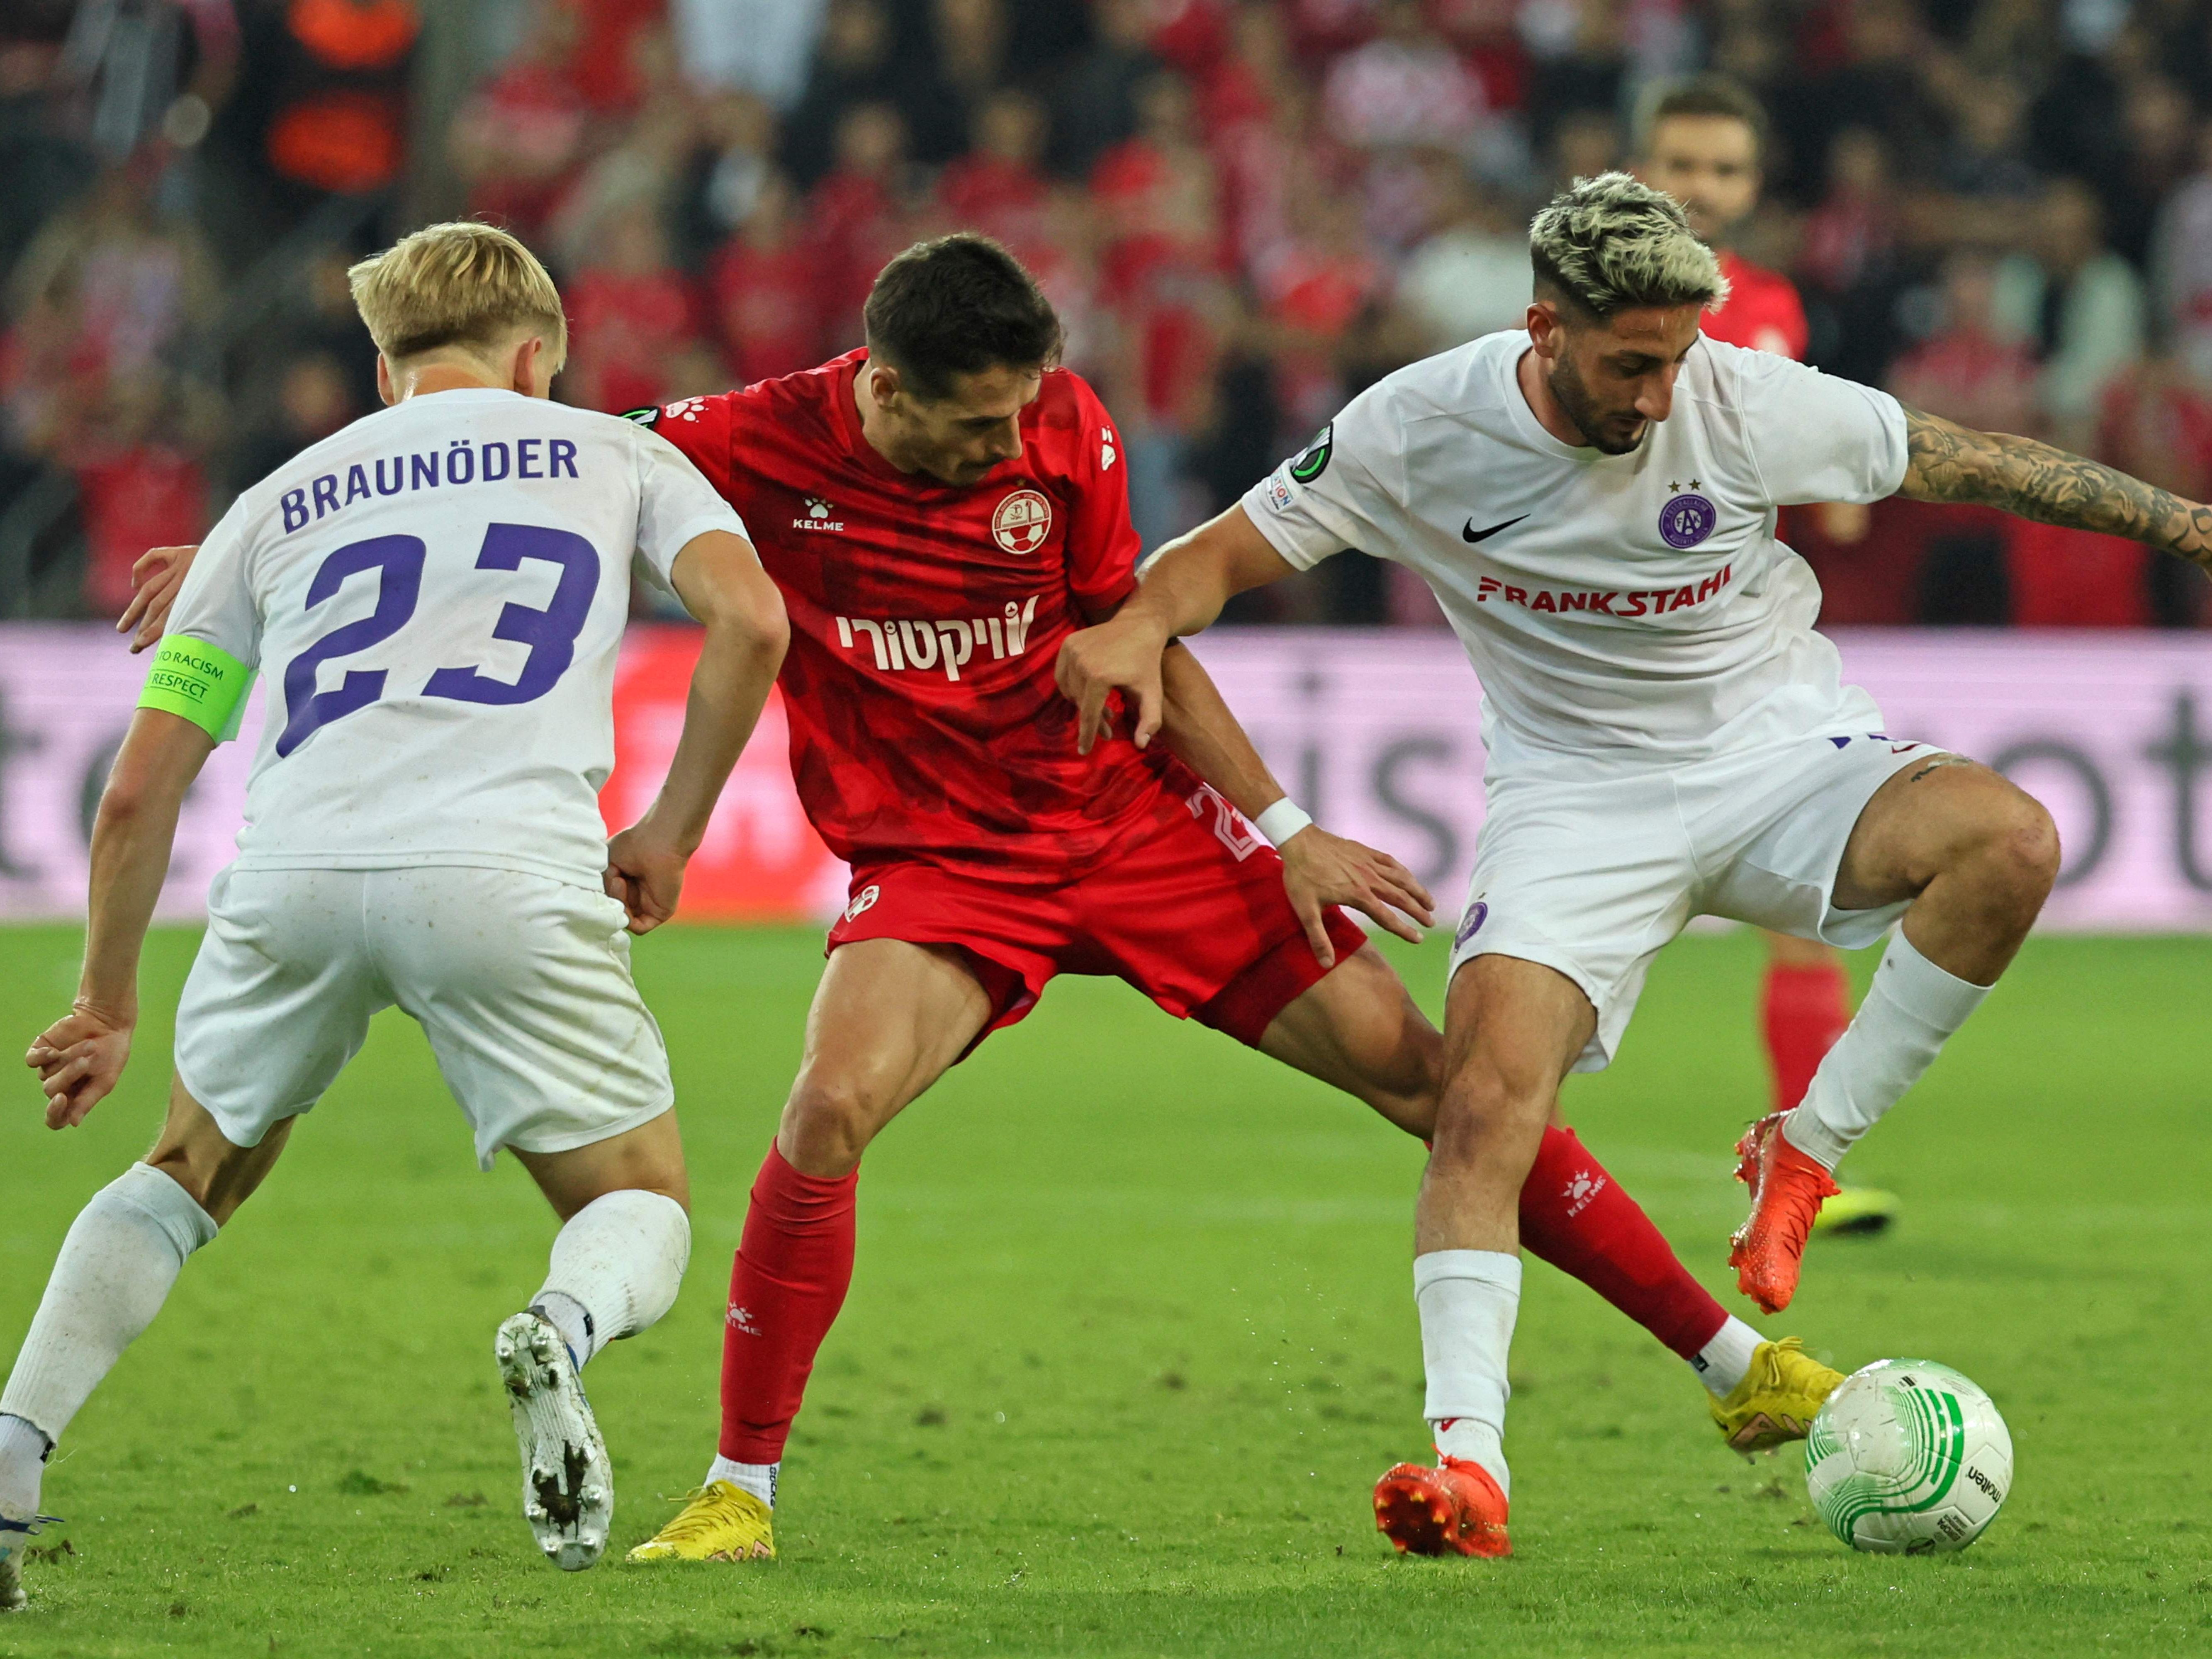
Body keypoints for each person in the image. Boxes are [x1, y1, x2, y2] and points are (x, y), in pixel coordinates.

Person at [125, 234, 1852, 1570]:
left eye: (1025, 412)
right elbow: (494, 460)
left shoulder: (1069, 428)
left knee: (1443, 1086)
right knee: (821, 1111)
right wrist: (228, 547)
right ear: (876, 388)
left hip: (1131, 819)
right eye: (971, 423)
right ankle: (738, 1492)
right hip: (942, 860)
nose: (1011, 444)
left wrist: (1282, 825)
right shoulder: (736, 448)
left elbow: (1134, 638)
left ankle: (1733, 1370)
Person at [1058, 172, 2210, 1557]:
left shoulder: (1741, 398)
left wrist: (2191, 529)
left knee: (2013, 840)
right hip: (1575, 801)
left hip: (1784, 760)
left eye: (1678, 360)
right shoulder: (1419, 425)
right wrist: (1139, 631)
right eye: (1631, 364)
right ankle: (1468, 1468)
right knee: (1482, 1102)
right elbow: (1213, 563)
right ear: (1544, 325)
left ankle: (1809, 1147)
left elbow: (1972, 460)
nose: (1663, 396)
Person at [1, 222, 788, 1607]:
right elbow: (755, 623)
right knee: (639, 1201)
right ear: (537, 355)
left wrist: (107, 1005)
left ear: (383, 372)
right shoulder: (616, 452)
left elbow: (135, 798)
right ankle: (558, 1323)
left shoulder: (272, 501)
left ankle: (11, 1453)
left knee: (188, 1171)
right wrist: (667, 832)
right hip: (504, 874)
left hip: (297, 873)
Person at [1634, 76, 1881, 1187]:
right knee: (1562, 951)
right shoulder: (1582, 301)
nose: (1703, 187)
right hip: (1613, 653)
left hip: (1733, 659)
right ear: (1644, 168)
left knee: (1807, 922)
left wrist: (1835, 473)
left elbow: (1814, 474)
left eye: (1725, 170)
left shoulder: (1771, 304)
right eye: (1683, 164)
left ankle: (1799, 1170)